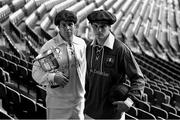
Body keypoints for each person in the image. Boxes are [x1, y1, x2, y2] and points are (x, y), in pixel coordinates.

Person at [85, 9, 145, 119]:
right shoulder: (89, 47)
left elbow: (138, 79)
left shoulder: (121, 49)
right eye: (95, 26)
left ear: (110, 27)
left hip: (112, 114)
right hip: (89, 111)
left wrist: (129, 101)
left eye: (103, 26)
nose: (98, 30)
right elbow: (87, 77)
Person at [32, 10, 87, 119]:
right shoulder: (49, 47)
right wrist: (52, 77)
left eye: (70, 24)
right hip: (58, 105)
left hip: (78, 103)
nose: (67, 28)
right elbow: (36, 72)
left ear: (75, 25)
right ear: (58, 26)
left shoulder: (81, 44)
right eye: (64, 25)